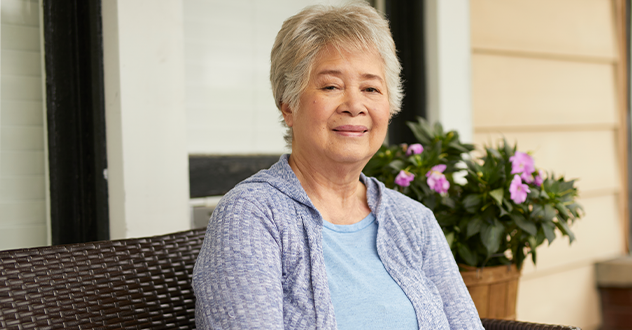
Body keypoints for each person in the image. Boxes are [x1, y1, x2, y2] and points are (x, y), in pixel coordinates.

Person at [192, 3, 483, 329]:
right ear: (288, 106)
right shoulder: (253, 215)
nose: (355, 105)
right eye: (331, 86)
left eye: (371, 88)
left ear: (389, 108)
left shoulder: (414, 221)